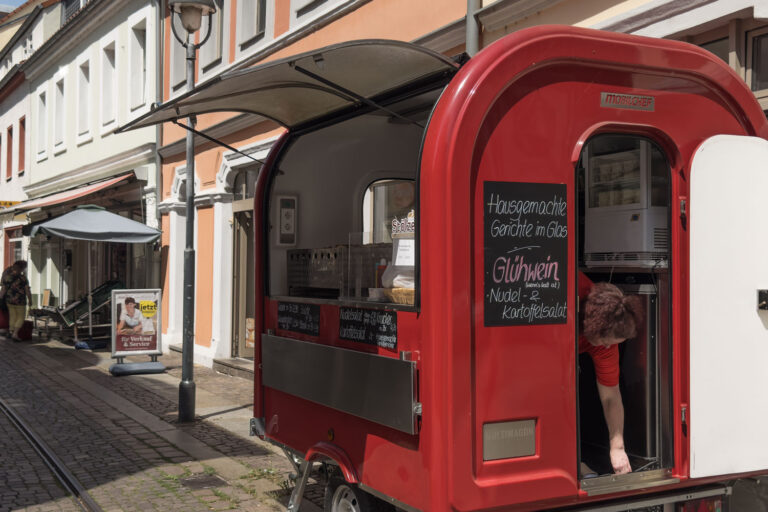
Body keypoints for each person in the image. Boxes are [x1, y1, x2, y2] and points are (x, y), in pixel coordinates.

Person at [579, 274, 643, 476]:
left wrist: (617, 448)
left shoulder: (606, 343)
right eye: (606, 341)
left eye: (614, 344)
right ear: (595, 327)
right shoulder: (567, 298)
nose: (608, 347)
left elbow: (610, 396)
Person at [0, 260, 32, 341]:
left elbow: (3, 289)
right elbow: (27, 291)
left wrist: (0, 298)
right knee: (20, 317)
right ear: (21, 269)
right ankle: (15, 334)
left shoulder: (7, 277)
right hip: (20, 301)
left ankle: (11, 332)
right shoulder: (23, 278)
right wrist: (30, 300)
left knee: (12, 316)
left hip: (9, 300)